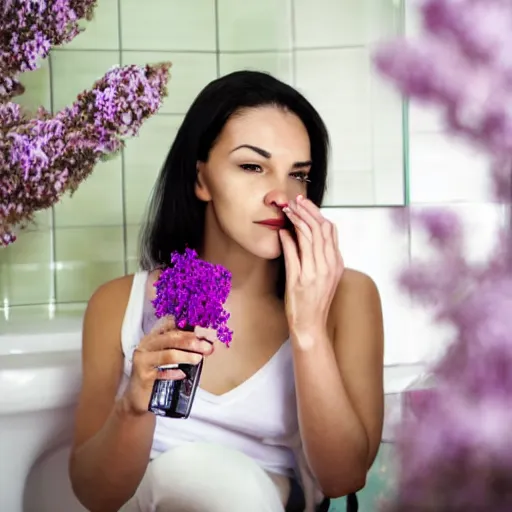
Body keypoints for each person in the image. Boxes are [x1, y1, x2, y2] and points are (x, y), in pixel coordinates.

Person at [68, 70, 385, 512]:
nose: (281, 194)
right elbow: (94, 496)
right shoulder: (117, 304)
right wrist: (133, 408)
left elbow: (343, 477)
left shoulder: (349, 296)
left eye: (299, 175)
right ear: (201, 179)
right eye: (252, 166)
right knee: (187, 474)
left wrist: (308, 328)